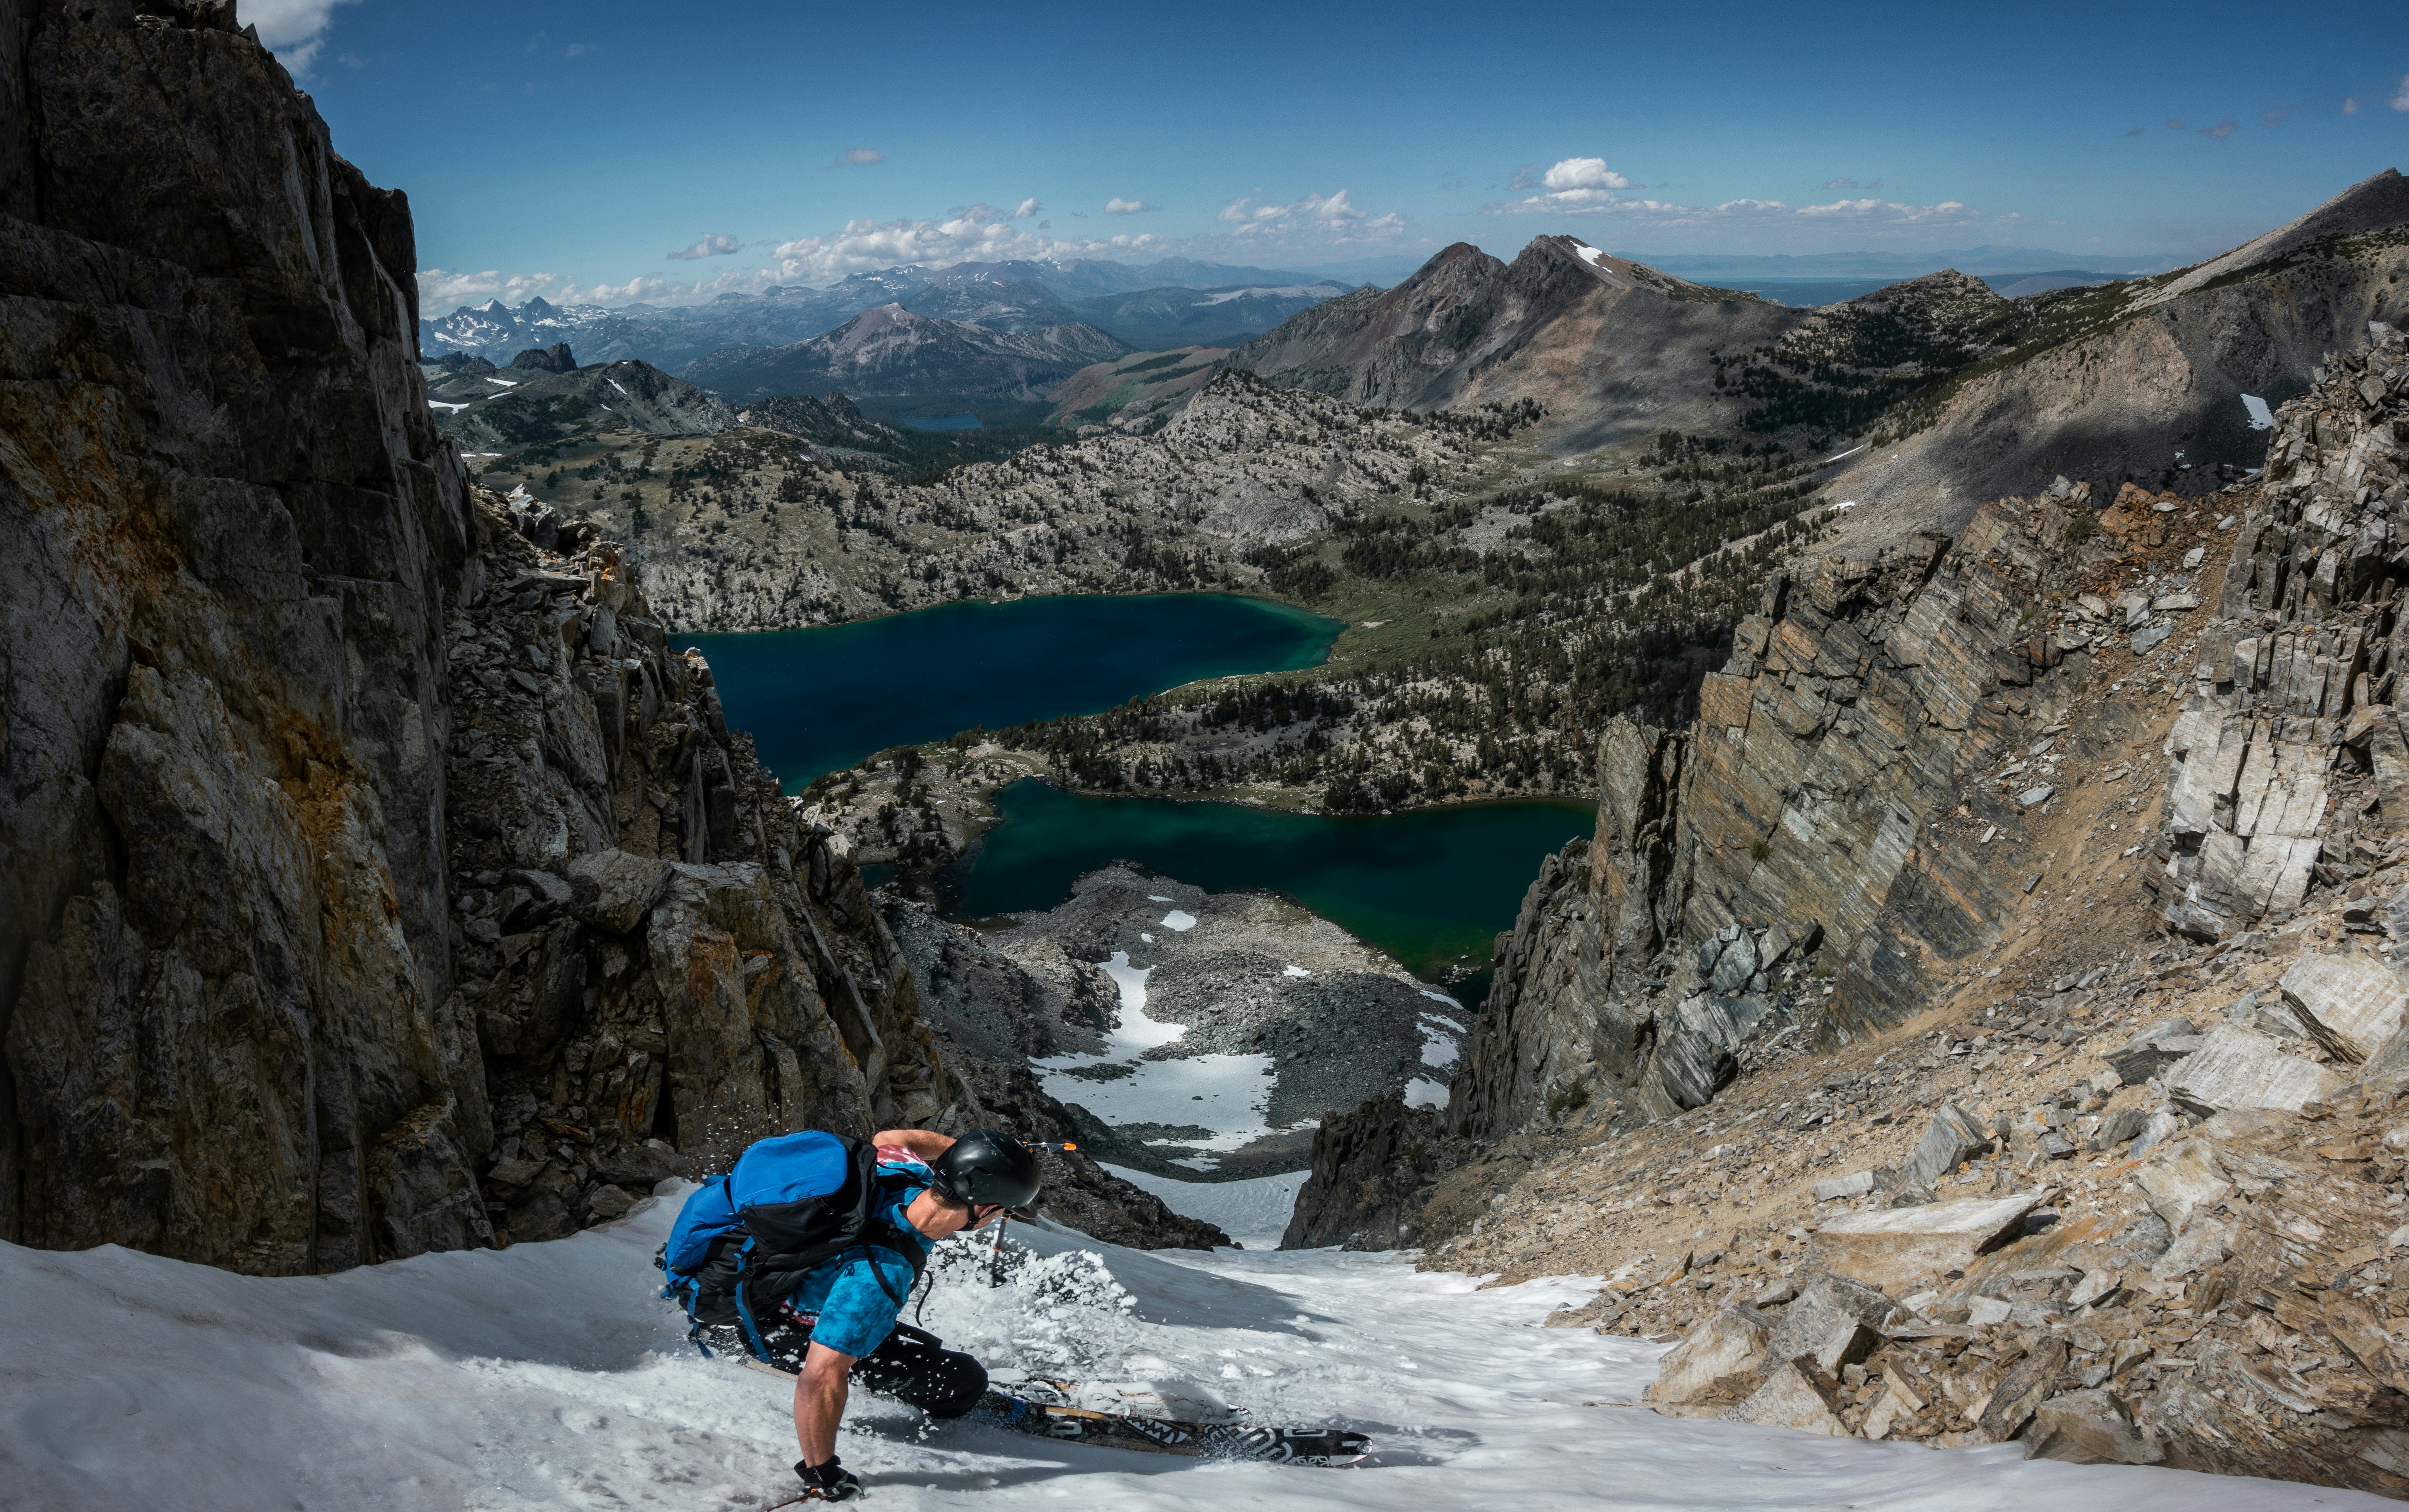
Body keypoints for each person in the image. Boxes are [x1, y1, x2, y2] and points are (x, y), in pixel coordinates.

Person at [696, 1127, 1042, 1503]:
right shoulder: (878, 1278)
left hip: (752, 1293)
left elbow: (891, 1136)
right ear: (986, 1209)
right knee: (964, 1380)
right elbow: (819, 1378)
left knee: (877, 1333)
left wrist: (981, 1158)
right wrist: (823, 1473)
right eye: (1003, 1211)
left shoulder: (902, 1172)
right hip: (769, 1332)